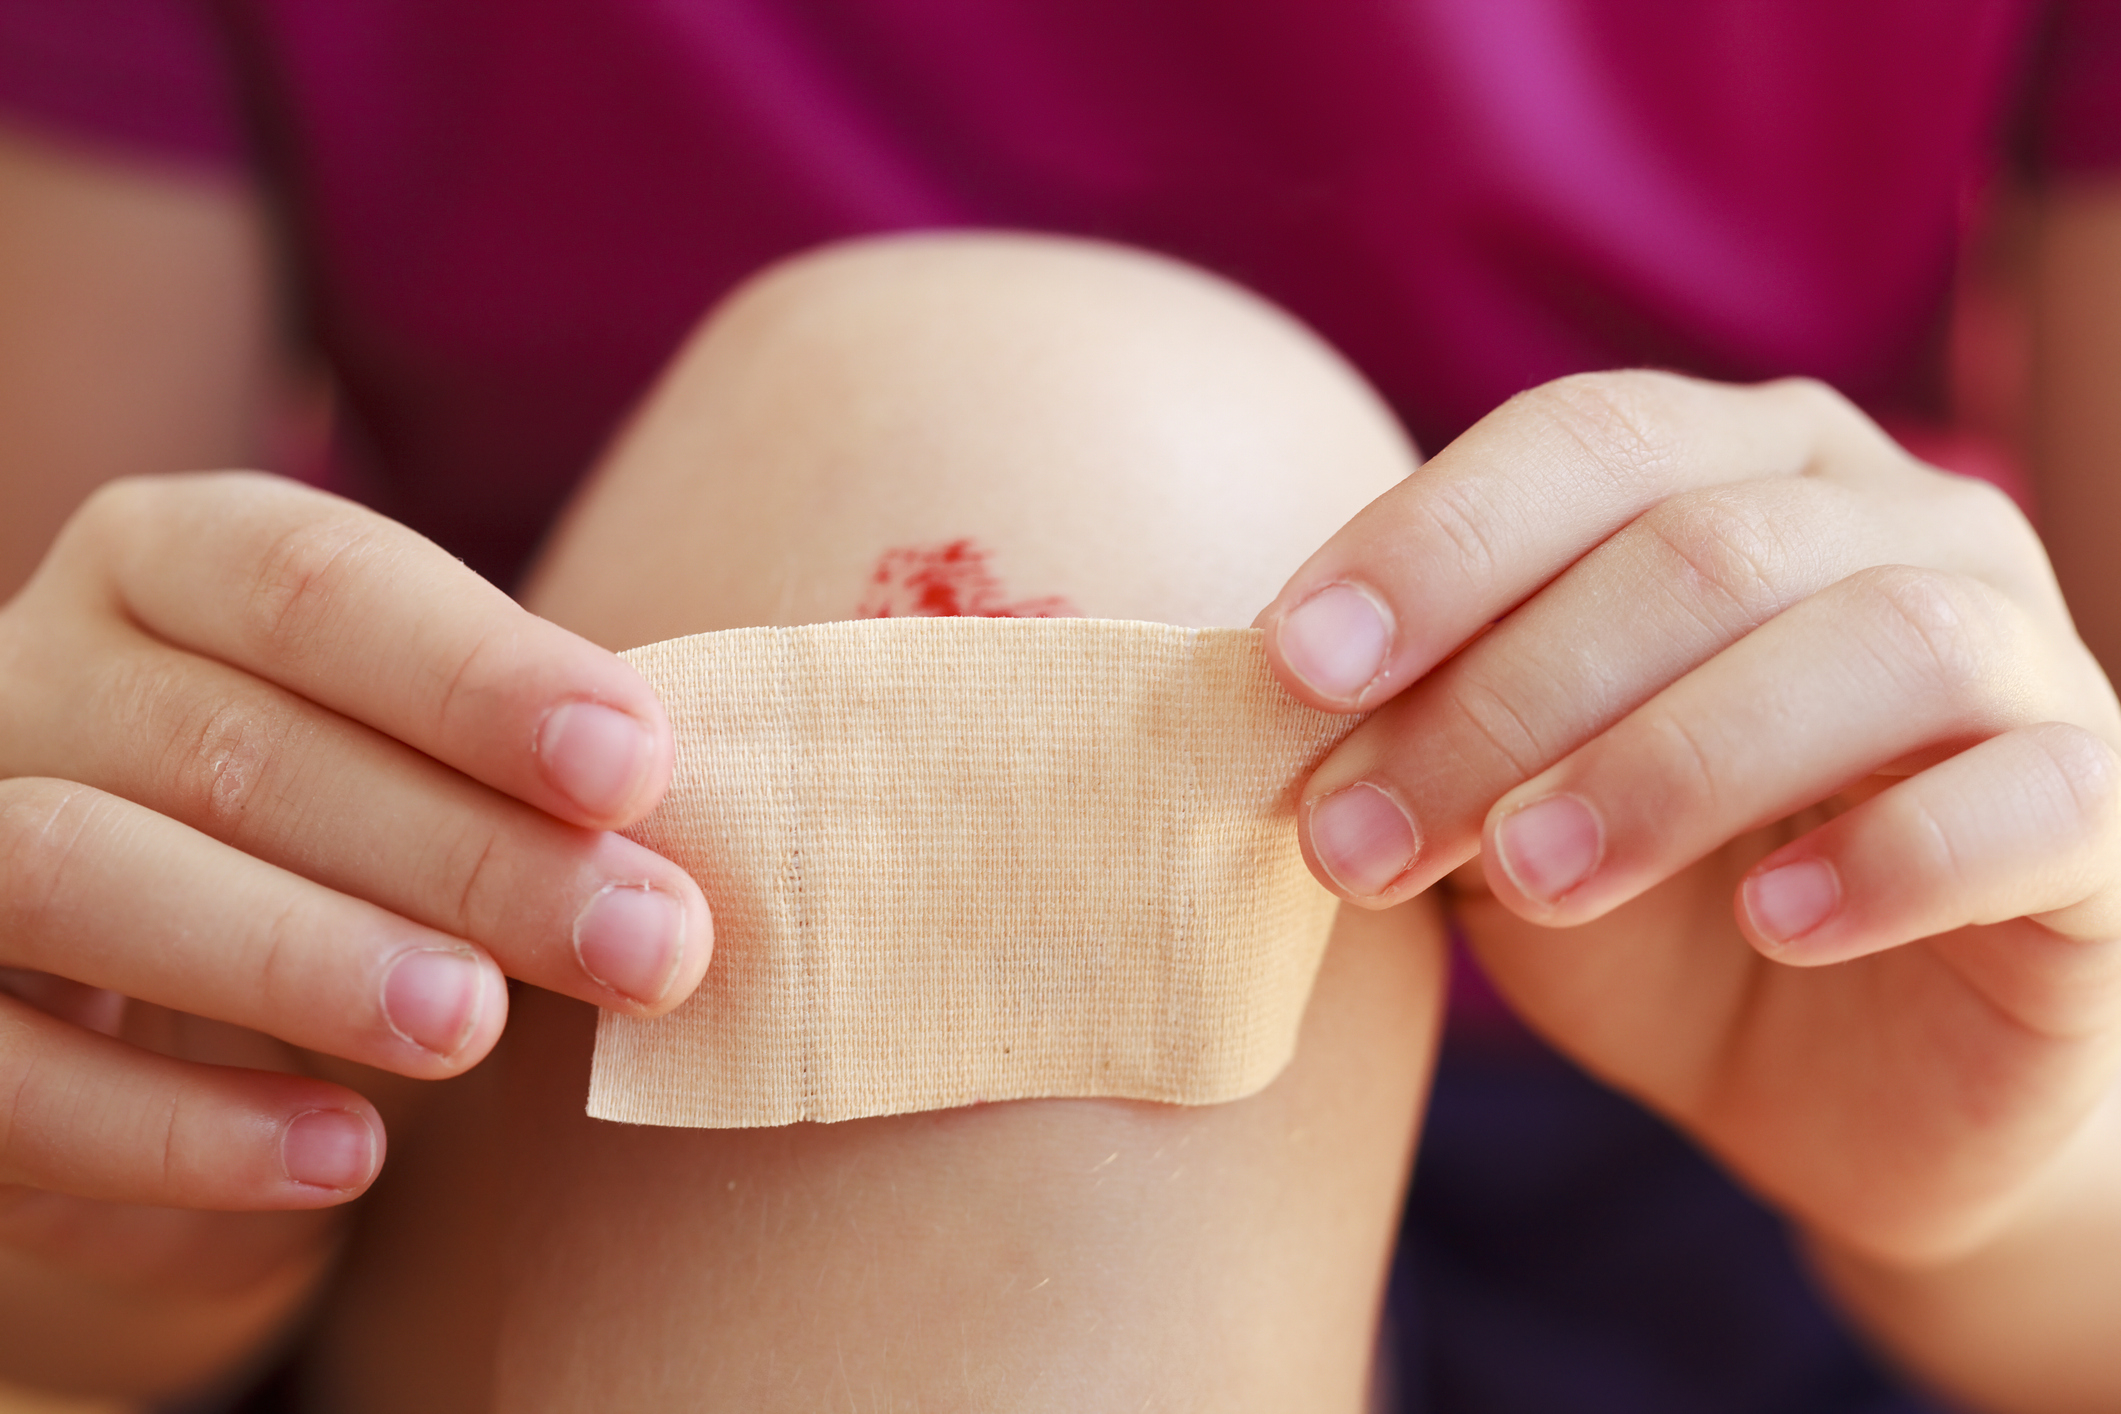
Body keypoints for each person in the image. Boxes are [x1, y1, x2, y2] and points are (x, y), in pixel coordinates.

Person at [0, 3, 2117, 1411]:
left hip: (1745, 1126)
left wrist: (2020, 1181)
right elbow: (82, 909)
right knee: (1035, 442)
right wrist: (122, 1198)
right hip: (537, 1105)